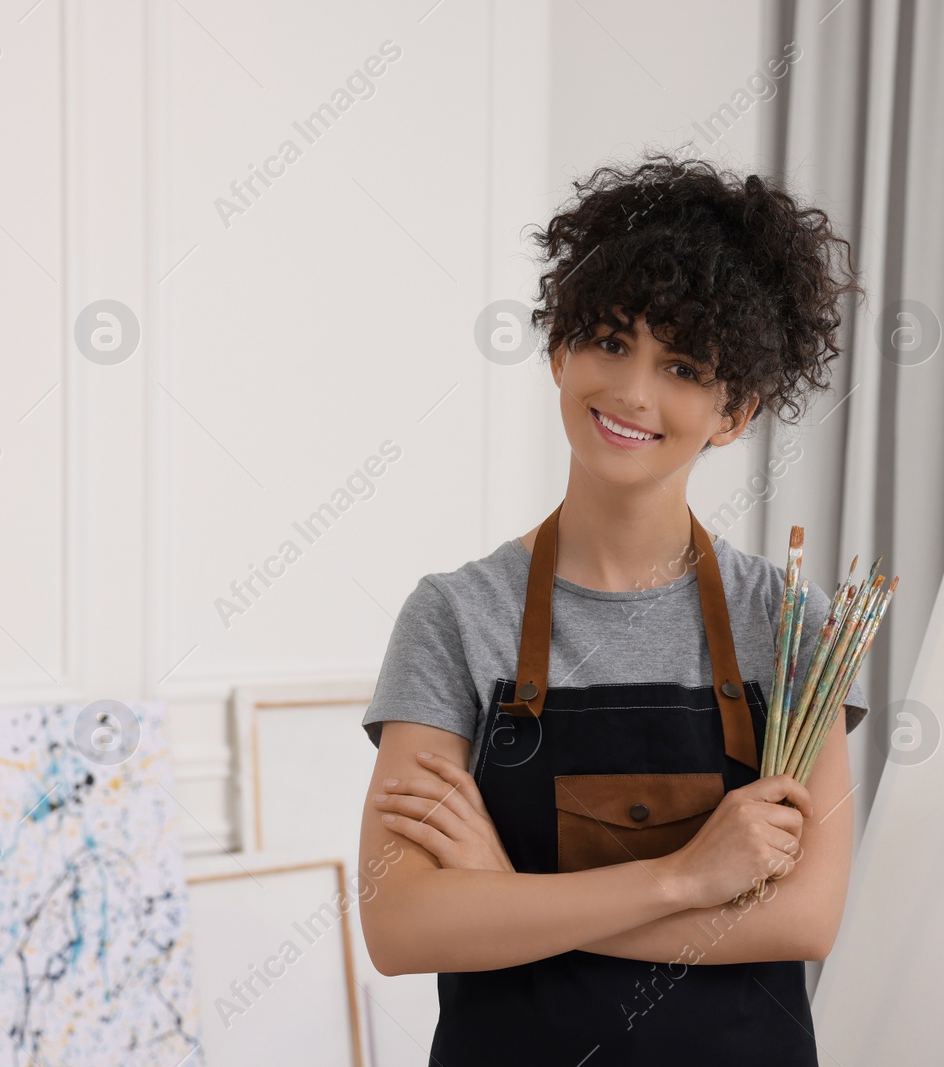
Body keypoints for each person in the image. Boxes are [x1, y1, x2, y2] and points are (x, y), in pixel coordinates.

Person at [355, 150, 869, 1066]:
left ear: (734, 410)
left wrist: (510, 896)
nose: (632, 391)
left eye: (681, 365)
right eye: (609, 341)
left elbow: (805, 916)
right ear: (559, 350)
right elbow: (403, 925)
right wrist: (685, 876)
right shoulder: (454, 617)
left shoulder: (793, 626)